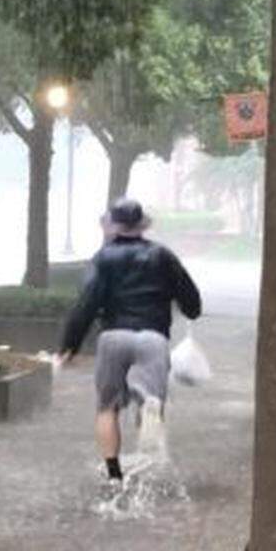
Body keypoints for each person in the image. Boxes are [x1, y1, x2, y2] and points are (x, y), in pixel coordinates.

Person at [57, 198, 202, 484]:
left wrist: (69, 345)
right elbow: (191, 299)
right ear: (142, 225)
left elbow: (86, 303)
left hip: (114, 336)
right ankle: (148, 409)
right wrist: (189, 310)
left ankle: (113, 474)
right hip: (153, 337)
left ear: (114, 225)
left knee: (107, 407)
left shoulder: (103, 258)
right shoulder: (163, 256)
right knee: (151, 399)